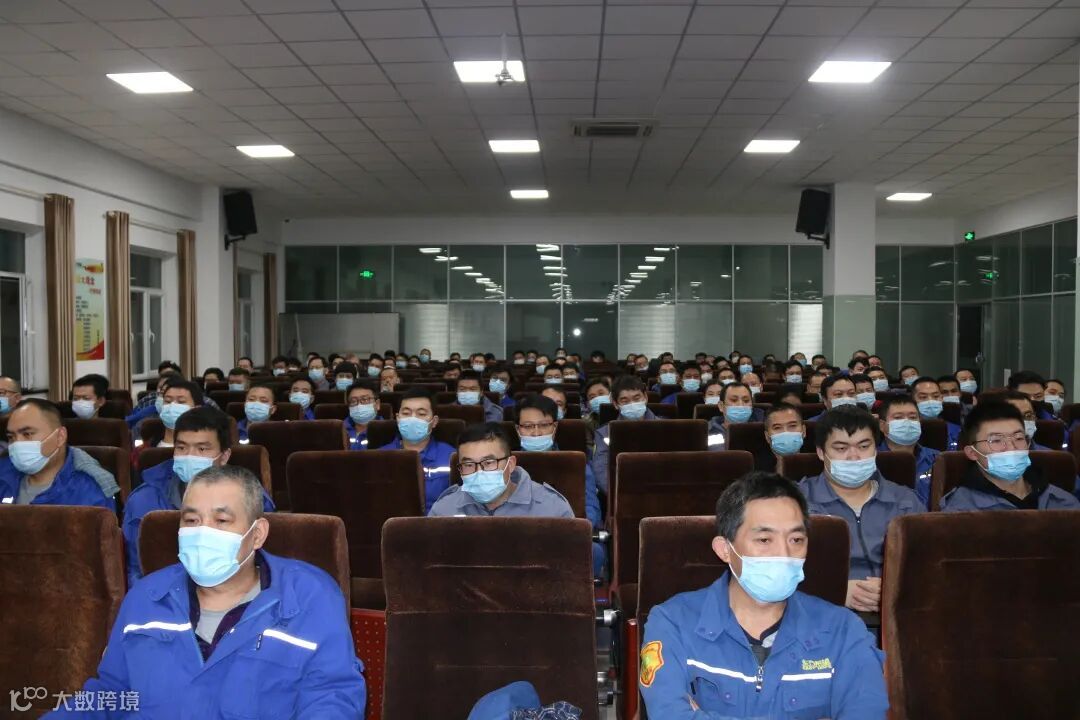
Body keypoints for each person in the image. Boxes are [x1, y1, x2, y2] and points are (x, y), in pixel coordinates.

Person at [57, 465, 366, 718]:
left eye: (221, 520)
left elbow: (331, 698)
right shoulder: (146, 597)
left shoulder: (310, 597)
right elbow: (110, 693)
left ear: (257, 534)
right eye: (192, 520)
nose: (202, 533)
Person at [639, 471, 888, 719]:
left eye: (796, 539)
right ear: (725, 549)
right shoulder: (672, 622)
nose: (784, 554)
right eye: (765, 540)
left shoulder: (843, 630)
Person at [124, 407, 276, 586]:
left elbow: (261, 562)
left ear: (224, 456)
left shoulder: (251, 497)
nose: (190, 456)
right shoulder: (143, 500)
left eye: (202, 449)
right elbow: (133, 568)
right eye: (181, 448)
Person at [799, 407, 921, 613]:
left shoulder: (906, 501)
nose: (854, 457)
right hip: (821, 612)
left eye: (864, 446)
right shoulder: (795, 502)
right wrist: (833, 590)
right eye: (841, 448)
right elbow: (777, 569)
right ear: (821, 453)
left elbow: (928, 565)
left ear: (876, 449)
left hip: (899, 612)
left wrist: (897, 588)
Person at [941, 402, 1079, 511]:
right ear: (972, 453)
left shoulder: (1062, 502)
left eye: (1018, 438)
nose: (1012, 447)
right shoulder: (959, 510)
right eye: (996, 440)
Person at [429, 421, 574, 522]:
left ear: (510, 464)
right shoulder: (443, 510)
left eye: (488, 463)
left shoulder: (552, 509)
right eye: (468, 464)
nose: (479, 472)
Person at [0, 399, 118, 509]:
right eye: (11, 437)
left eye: (27, 434)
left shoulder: (91, 491)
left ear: (60, 436)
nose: (17, 443)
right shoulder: (3, 472)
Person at [379, 388, 454, 513]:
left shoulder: (451, 456)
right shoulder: (379, 456)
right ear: (397, 418)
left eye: (421, 414)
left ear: (434, 421)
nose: (413, 419)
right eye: (406, 413)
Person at [591, 376, 658, 494]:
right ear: (615, 404)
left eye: (637, 398)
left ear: (645, 397)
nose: (632, 404)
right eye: (625, 401)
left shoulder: (667, 426)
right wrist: (622, 494)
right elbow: (601, 470)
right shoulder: (605, 432)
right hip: (622, 493)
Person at [876, 395, 940, 508]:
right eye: (898, 417)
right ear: (882, 425)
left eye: (913, 417)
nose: (907, 422)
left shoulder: (938, 458)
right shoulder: (871, 460)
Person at [706, 382, 762, 450]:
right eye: (734, 400)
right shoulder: (706, 431)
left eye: (746, 401)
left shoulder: (763, 430)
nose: (740, 404)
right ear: (721, 406)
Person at [912, 376, 960, 449]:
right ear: (913, 400)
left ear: (942, 399)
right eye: (923, 397)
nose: (930, 401)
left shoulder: (957, 430)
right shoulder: (907, 429)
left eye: (935, 396)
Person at [757, 402, 806, 474]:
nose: (786, 432)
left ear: (804, 431)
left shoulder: (819, 460)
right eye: (777, 428)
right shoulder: (755, 467)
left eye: (792, 426)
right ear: (767, 436)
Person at [345, 383, 380, 450]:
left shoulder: (389, 432)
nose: (359, 405)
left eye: (365, 399)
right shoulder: (339, 431)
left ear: (377, 404)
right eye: (353, 401)